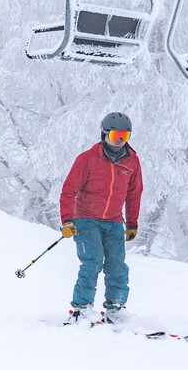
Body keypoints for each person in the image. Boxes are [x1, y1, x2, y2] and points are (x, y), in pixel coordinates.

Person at [59, 112, 144, 323]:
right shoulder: (87, 159)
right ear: (104, 133)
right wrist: (67, 220)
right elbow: (68, 190)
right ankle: (81, 308)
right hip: (86, 219)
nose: (119, 141)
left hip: (114, 221)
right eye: (115, 135)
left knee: (117, 265)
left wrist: (132, 223)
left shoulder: (132, 161)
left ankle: (115, 307)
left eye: (124, 137)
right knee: (92, 262)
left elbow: (134, 193)